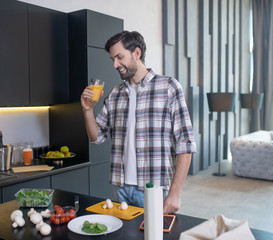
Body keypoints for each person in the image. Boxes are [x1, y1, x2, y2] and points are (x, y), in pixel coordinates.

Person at [80, 31, 196, 214]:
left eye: (119, 57)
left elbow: (186, 143)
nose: (115, 65)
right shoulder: (115, 93)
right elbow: (97, 137)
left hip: (152, 189)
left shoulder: (168, 87)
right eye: (113, 59)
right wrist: (87, 110)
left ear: (136, 53)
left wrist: (175, 193)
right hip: (120, 188)